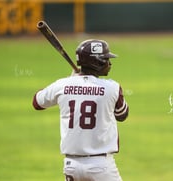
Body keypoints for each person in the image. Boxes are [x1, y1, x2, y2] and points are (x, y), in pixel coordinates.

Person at [32, 39, 129, 181]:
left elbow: (37, 102)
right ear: (97, 63)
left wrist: (71, 80)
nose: (110, 63)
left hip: (71, 166)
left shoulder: (62, 85)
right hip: (101, 167)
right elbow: (122, 115)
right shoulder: (112, 88)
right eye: (106, 59)